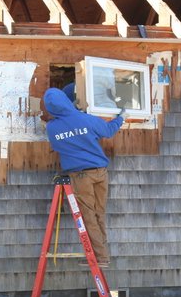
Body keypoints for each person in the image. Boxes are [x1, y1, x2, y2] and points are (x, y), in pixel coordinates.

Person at [43, 87, 128, 268]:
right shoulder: (86, 119)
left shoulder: (51, 129)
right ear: (66, 102)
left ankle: (101, 257)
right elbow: (108, 130)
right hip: (100, 173)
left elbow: (63, 139)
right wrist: (121, 118)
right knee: (99, 214)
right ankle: (102, 255)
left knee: (89, 216)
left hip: (81, 176)